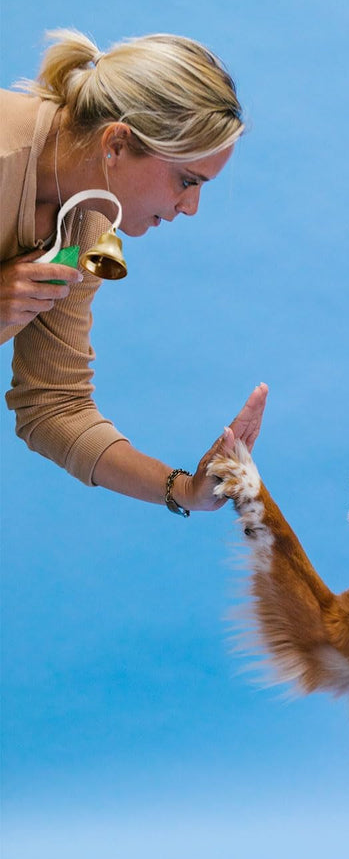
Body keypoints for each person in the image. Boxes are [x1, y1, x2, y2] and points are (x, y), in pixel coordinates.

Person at [0, 29, 267, 516]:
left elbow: (54, 403)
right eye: (187, 181)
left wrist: (184, 488)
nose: (191, 207)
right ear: (117, 144)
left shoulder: (84, 223)